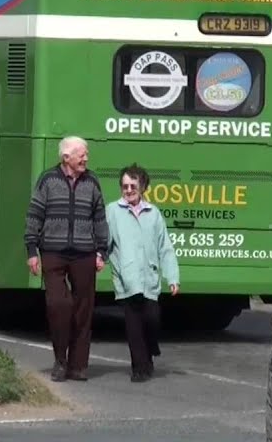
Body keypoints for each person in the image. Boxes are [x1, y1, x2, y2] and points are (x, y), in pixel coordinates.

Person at [24, 136, 109, 382]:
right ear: (66, 157)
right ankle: (60, 360)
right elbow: (34, 214)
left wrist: (102, 251)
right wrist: (31, 250)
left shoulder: (92, 181)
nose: (86, 158)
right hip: (53, 251)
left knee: (84, 310)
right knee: (58, 305)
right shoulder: (48, 180)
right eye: (81, 154)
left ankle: (78, 366)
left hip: (84, 253)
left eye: (86, 154)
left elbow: (99, 219)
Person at [105, 163, 179, 383]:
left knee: (152, 319)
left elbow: (165, 247)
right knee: (134, 327)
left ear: (143, 186)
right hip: (126, 279)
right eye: (125, 186)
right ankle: (139, 368)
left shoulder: (153, 213)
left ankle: (151, 348)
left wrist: (172, 277)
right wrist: (99, 257)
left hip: (150, 279)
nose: (128, 190)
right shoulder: (112, 211)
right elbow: (104, 241)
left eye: (133, 185)